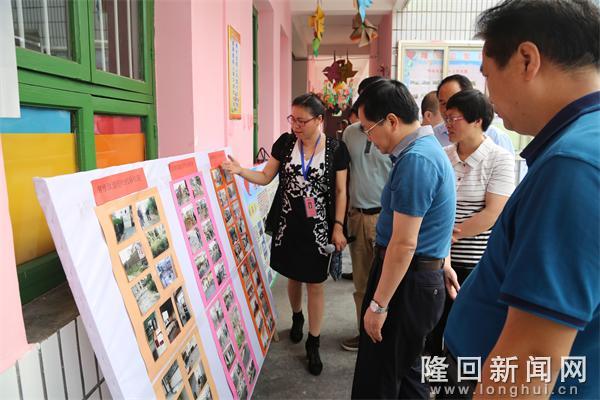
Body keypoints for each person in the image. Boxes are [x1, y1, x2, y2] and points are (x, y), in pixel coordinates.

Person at [442, 1, 599, 398]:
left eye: (487, 74)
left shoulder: (572, 166)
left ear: (527, 60)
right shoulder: (582, 143)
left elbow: (531, 358)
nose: (488, 94)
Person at [222, 93, 350, 376]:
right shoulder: (285, 143)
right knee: (293, 275)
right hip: (288, 223)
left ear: (319, 120)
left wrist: (338, 226)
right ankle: (297, 316)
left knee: (315, 283)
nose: (296, 126)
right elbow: (266, 176)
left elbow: (341, 191)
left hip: (319, 227)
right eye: (293, 119)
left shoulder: (336, 149)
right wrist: (241, 171)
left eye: (302, 121)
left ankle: (314, 342)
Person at [350, 79, 458, 399]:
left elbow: (404, 243)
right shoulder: (420, 152)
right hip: (414, 275)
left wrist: (379, 305)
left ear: (392, 121)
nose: (369, 138)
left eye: (368, 129)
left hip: (407, 281)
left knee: (382, 377)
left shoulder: (417, 160)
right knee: (407, 373)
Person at [425, 89, 515, 356]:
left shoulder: (500, 158)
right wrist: (442, 250)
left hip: (477, 262)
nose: (447, 125)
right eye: (446, 118)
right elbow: (432, 207)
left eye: (454, 118)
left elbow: (492, 213)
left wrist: (446, 236)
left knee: (469, 335)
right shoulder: (442, 155)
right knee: (434, 330)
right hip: (438, 259)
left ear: (477, 120)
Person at [340, 77, 392, 352]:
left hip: (387, 218)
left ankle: (386, 336)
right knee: (362, 283)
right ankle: (364, 334)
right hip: (358, 217)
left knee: (388, 281)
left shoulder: (392, 132)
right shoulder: (350, 133)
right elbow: (343, 177)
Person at [435, 74, 515, 155]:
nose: (447, 109)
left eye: (454, 102)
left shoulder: (497, 137)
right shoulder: (434, 136)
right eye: (443, 103)